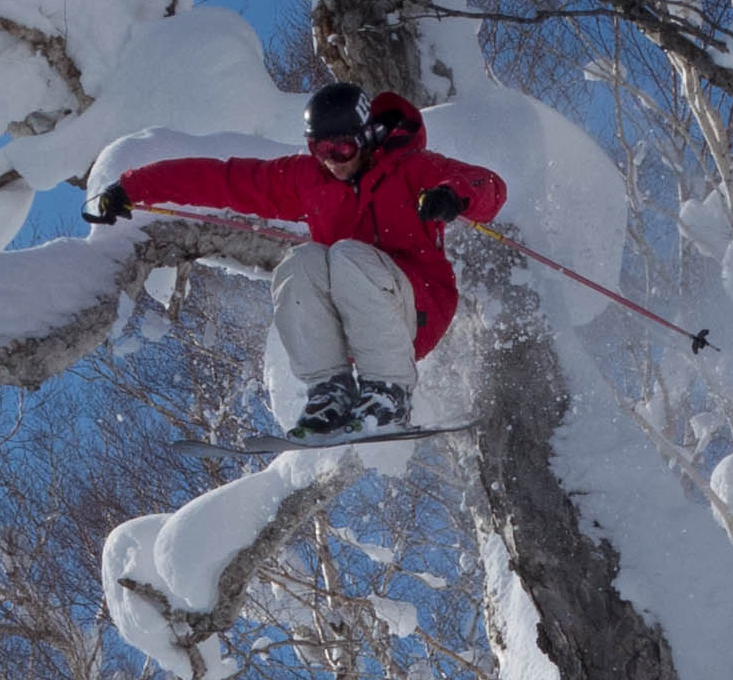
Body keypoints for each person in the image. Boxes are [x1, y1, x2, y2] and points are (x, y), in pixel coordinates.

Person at [84, 83, 509, 438]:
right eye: (319, 148)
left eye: (341, 148)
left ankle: (389, 393)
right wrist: (132, 188)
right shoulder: (308, 179)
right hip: (353, 323)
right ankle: (331, 391)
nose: (331, 160)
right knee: (301, 261)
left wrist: (453, 195)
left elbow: (488, 185)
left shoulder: (414, 168)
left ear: (364, 137)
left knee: (345, 255)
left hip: (416, 307)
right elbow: (223, 179)